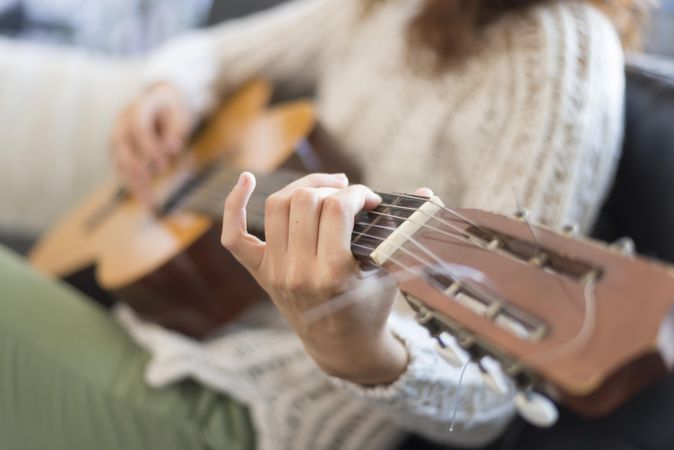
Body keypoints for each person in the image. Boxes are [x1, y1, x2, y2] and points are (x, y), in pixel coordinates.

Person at [0, 0, 645, 449]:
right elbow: (216, 50)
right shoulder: (388, 6)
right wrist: (170, 89)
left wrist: (358, 350)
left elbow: (490, 394)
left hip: (251, 415)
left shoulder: (563, 61)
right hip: (174, 334)